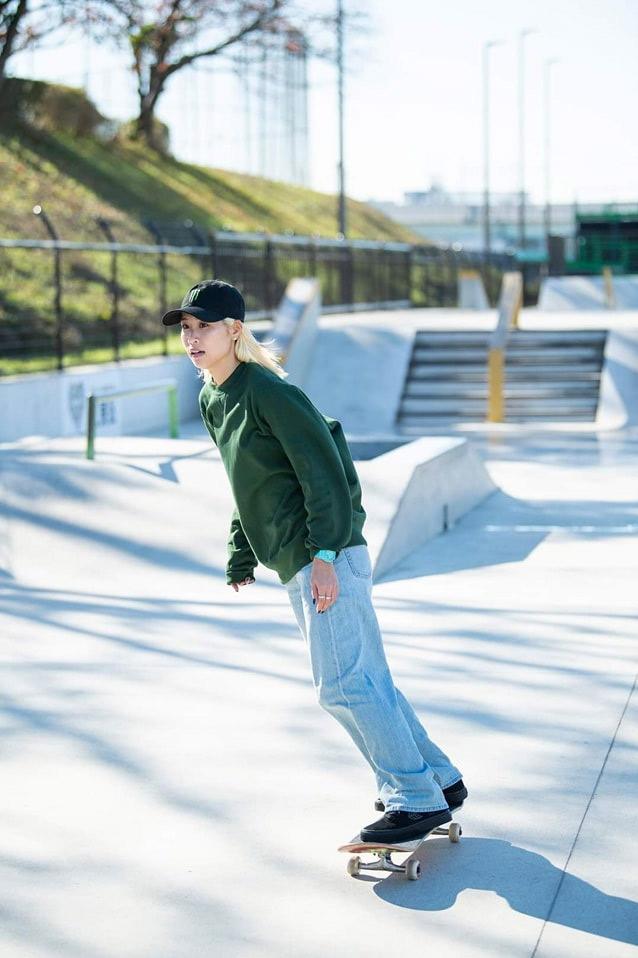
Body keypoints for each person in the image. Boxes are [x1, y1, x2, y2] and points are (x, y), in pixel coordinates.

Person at [162, 279, 467, 843]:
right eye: (186, 328)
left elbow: (324, 470)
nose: (192, 338)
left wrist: (325, 553)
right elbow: (246, 481)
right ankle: (440, 780)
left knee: (343, 686)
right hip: (298, 560)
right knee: (367, 679)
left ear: (235, 330)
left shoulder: (269, 391)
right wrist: (241, 549)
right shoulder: (213, 397)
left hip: (327, 555)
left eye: (204, 327)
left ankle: (414, 798)